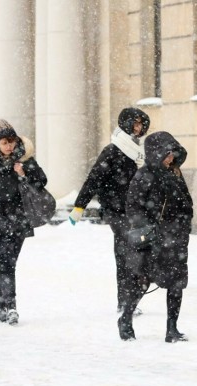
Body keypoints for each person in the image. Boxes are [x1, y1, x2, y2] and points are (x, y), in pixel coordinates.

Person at [68, 108, 150, 314]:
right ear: (126, 123)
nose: (138, 128)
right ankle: (125, 301)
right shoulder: (113, 151)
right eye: (135, 123)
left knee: (141, 253)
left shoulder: (140, 152)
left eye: (141, 124)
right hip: (116, 211)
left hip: (137, 211)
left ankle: (133, 295)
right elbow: (93, 179)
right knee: (125, 253)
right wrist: (79, 206)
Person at [118, 131, 193, 342]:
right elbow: (133, 207)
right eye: (167, 154)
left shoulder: (176, 174)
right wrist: (149, 228)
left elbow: (186, 203)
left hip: (176, 238)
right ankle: (125, 319)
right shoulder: (144, 175)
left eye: (173, 153)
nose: (171, 158)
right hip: (153, 239)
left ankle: (172, 329)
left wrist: (184, 226)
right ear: (156, 153)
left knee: (177, 283)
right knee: (143, 281)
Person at [0, 119, 48, 324]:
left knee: (9, 263)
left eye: (12, 141)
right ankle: (10, 306)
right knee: (7, 262)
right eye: (5, 142)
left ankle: (1, 307)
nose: (9, 146)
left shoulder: (26, 160)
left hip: (19, 219)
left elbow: (42, 182)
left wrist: (24, 173)